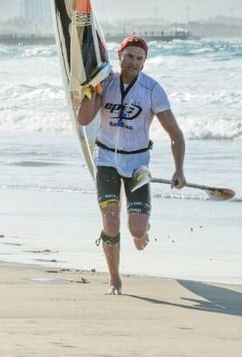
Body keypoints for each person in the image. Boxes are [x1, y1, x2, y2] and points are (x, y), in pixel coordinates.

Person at [76, 34, 187, 295]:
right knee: (111, 223)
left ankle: (142, 227)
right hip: (106, 161)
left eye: (139, 58)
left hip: (138, 164)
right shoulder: (106, 83)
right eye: (129, 57)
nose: (134, 63)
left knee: (135, 231)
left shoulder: (152, 90)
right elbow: (83, 119)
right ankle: (114, 279)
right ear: (119, 56)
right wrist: (92, 90)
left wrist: (179, 169)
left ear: (145, 62)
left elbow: (175, 134)